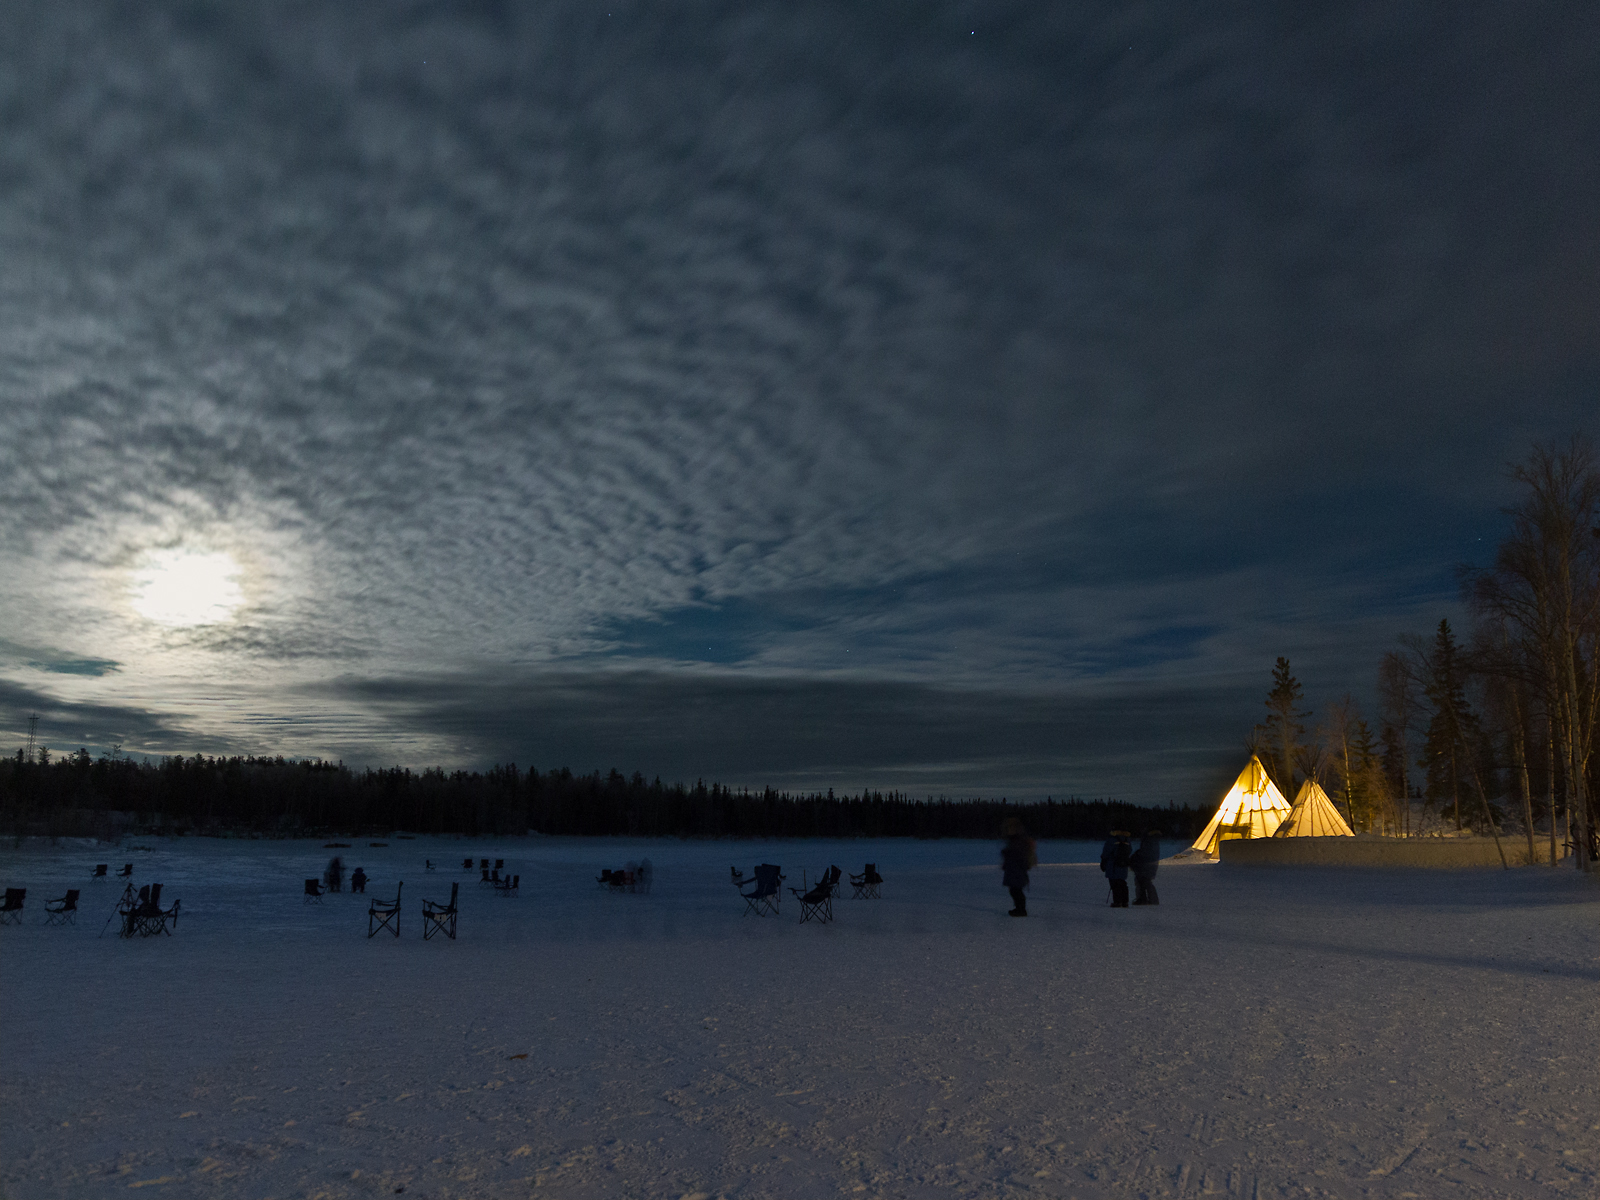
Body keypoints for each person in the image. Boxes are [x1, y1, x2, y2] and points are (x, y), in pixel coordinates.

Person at [1000, 818, 1037, 916]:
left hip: (1017, 870)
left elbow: (1018, 854)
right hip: (1015, 869)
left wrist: (1007, 854)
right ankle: (1019, 909)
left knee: (1016, 890)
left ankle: (1021, 910)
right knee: (1015, 890)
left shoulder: (1019, 841)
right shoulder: (1016, 841)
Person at [1100, 830, 1131, 907]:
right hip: (1123, 863)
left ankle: (1117, 901)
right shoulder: (1127, 839)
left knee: (1114, 883)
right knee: (1122, 882)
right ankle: (1125, 901)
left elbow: (1106, 852)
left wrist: (1103, 861)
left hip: (1113, 864)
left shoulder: (1112, 839)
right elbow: (1130, 850)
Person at [1130, 829, 1161, 905]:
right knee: (1143, 881)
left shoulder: (1150, 840)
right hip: (1149, 864)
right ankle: (1145, 899)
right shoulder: (1153, 840)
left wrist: (1136, 856)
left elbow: (1146, 853)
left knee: (1144, 881)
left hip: (1146, 864)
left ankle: (1146, 899)